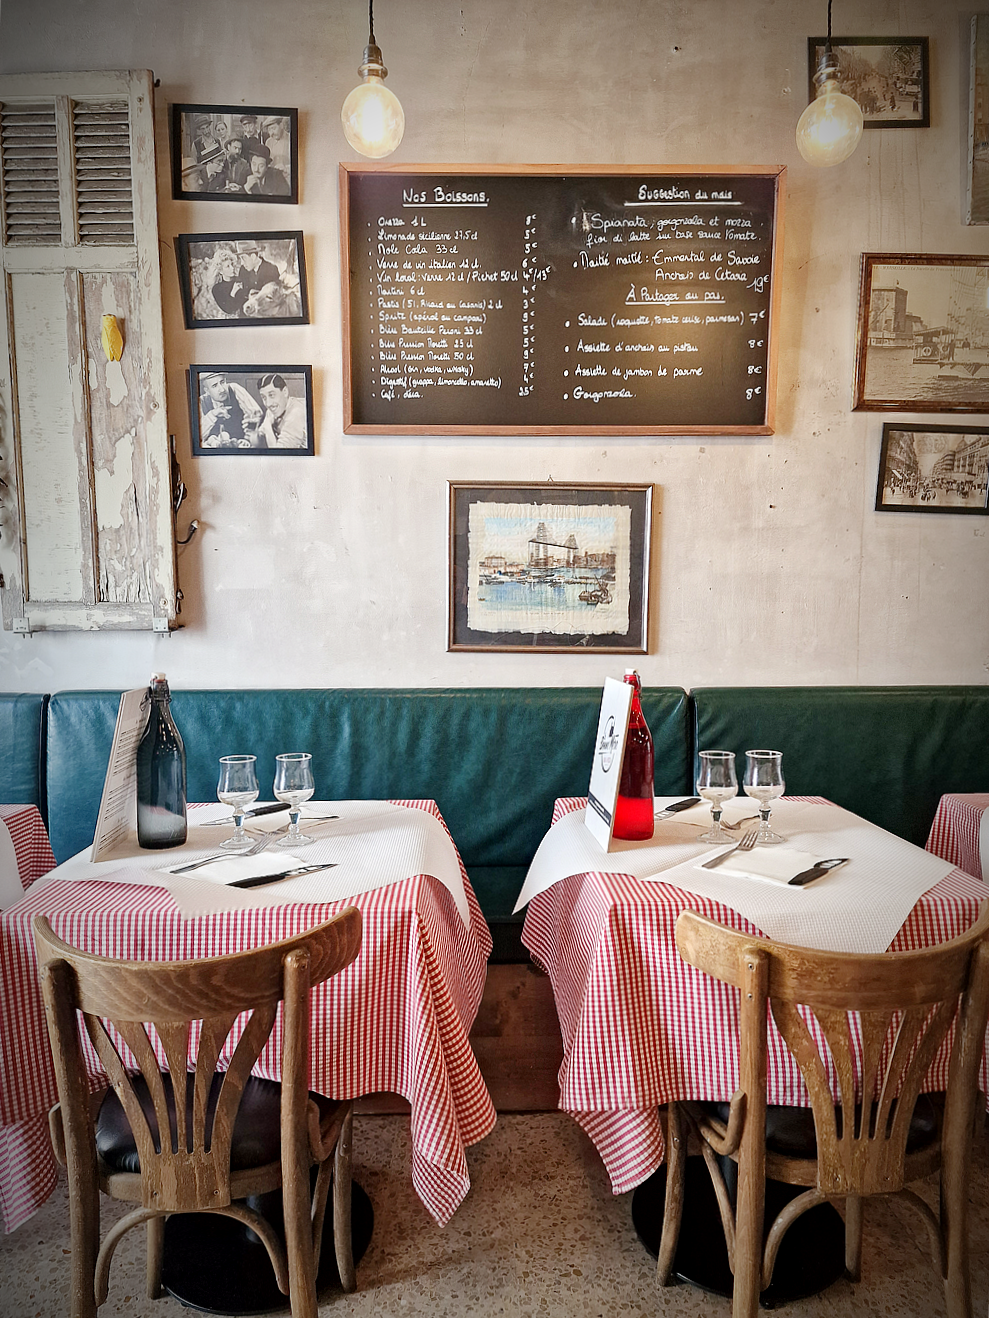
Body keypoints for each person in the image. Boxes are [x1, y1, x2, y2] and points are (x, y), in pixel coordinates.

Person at [198, 372, 263, 448]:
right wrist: (212, 414)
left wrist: (247, 439)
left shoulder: (234, 389)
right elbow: (199, 435)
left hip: (242, 447)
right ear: (207, 391)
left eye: (222, 382)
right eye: (215, 386)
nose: (222, 389)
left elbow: (257, 414)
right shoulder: (201, 402)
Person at [256, 373, 308, 448]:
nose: (268, 403)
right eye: (264, 398)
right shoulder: (274, 408)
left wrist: (267, 428)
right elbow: (261, 433)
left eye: (272, 395)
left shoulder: (296, 413)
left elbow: (279, 453)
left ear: (285, 392)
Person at [209, 246, 249, 315]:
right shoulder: (217, 289)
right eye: (228, 266)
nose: (232, 268)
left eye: (232, 264)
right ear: (221, 271)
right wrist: (233, 293)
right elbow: (229, 310)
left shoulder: (241, 280)